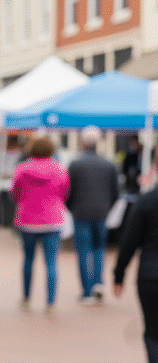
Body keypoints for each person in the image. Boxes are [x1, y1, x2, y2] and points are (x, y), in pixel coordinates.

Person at [10, 135, 69, 314]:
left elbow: (14, 194)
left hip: (28, 219)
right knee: (51, 262)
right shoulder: (59, 169)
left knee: (28, 259)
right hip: (52, 220)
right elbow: (64, 192)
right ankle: (50, 302)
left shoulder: (22, 168)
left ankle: (26, 298)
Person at [67, 125, 119, 304]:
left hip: (80, 212)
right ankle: (97, 283)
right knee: (98, 249)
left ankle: (87, 291)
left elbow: (68, 191)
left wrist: (71, 207)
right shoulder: (109, 164)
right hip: (101, 213)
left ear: (83, 142)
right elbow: (116, 192)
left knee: (83, 251)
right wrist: (106, 207)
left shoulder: (75, 164)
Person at [113, 186, 158, 362]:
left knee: (153, 333)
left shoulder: (147, 200)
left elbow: (129, 241)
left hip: (150, 275)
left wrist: (119, 274)